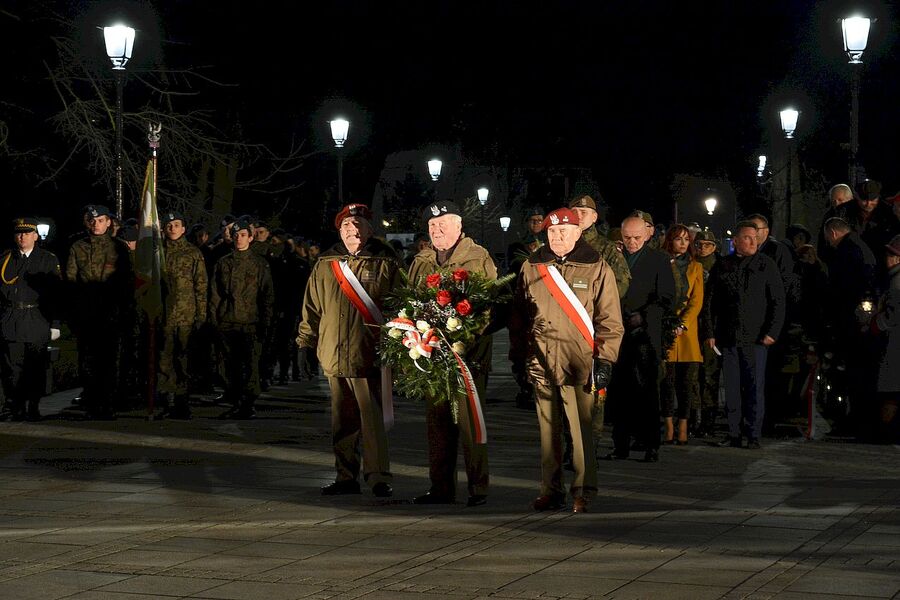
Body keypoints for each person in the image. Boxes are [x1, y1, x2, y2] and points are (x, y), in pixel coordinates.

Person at [509, 207, 623, 513]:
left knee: (582, 431)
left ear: (577, 232)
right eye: (552, 232)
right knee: (548, 433)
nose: (557, 237)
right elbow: (519, 316)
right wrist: (518, 356)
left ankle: (584, 490)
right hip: (542, 360)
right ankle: (551, 489)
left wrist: (605, 359)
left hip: (580, 362)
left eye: (563, 231)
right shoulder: (532, 266)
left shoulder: (596, 266)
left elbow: (610, 320)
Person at [296, 204, 400, 498]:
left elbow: (400, 305)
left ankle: (378, 476)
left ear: (369, 229)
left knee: (372, 420)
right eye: (346, 226)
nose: (351, 230)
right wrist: (305, 342)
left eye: (357, 224)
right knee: (342, 420)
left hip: (369, 353)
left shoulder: (385, 262)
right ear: (339, 231)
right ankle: (345, 476)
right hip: (333, 353)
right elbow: (311, 307)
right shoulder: (325, 264)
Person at [408, 200, 496, 506]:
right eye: (432, 226)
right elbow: (409, 301)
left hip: (467, 356)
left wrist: (463, 338)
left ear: (459, 227)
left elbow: (487, 306)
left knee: (471, 424)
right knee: (437, 425)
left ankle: (478, 487)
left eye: (443, 224)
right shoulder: (422, 261)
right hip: (432, 356)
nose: (437, 230)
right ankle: (440, 487)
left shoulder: (477, 258)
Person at [703, 221, 785, 449]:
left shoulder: (766, 265)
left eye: (754, 238)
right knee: (732, 388)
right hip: (729, 337)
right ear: (736, 240)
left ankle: (753, 434)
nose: (751, 242)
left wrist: (772, 332)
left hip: (756, 338)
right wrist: (710, 331)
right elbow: (710, 302)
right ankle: (734, 432)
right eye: (747, 238)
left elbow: (778, 301)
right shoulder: (723, 266)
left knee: (754, 388)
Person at [607, 214, 675, 462]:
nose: (632, 242)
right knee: (619, 390)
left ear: (647, 234)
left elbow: (667, 296)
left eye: (636, 237)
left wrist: (643, 316)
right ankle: (621, 444)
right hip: (618, 332)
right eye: (627, 238)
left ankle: (651, 444)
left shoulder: (658, 260)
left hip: (645, 334)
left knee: (647, 390)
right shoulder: (614, 258)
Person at [66, 204, 133, 419]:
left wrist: (123, 312)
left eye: (101, 220)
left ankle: (107, 404)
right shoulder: (78, 247)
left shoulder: (118, 248)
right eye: (92, 221)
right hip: (86, 315)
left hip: (110, 315)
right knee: (87, 362)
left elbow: (126, 282)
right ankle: (91, 403)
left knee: (109, 361)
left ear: (109, 222)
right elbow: (71, 282)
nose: (96, 224)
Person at [209, 218, 274, 419]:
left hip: (250, 322)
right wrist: (214, 320)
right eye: (236, 235)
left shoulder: (259, 264)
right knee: (229, 366)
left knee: (250, 365)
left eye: (243, 235)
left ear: (250, 238)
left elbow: (267, 295)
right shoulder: (223, 263)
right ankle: (236, 401)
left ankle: (247, 403)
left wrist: (266, 322)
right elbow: (215, 294)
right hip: (227, 321)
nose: (239, 239)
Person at [0, 218, 61, 421]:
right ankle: (14, 407)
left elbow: (55, 294)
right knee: (12, 368)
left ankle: (33, 407)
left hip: (37, 318)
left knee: (35, 367)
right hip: (11, 318)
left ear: (35, 236)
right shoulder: (5, 259)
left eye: (27, 233)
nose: (22, 237)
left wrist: (55, 323)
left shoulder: (47, 259)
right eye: (19, 233)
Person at [158, 211, 208, 419]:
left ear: (184, 229)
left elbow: (201, 285)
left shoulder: (193, 253)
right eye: (169, 225)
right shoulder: (158, 252)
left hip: (186, 315)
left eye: (177, 225)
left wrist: (201, 315)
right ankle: (166, 401)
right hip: (164, 315)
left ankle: (182, 401)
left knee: (184, 360)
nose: (172, 228)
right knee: (164, 359)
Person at [660, 224, 704, 445]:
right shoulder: (661, 263)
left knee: (686, 383)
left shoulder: (696, 267)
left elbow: (697, 300)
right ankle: (668, 425)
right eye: (679, 239)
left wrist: (683, 323)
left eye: (687, 239)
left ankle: (684, 425)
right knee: (666, 382)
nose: (683, 243)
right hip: (665, 328)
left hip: (687, 333)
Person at [868, 234, 900, 442]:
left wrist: (875, 323)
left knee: (891, 393)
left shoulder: (896, 282)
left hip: (894, 345)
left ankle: (888, 432)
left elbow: (893, 314)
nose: (887, 258)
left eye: (891, 254)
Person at [569, 195, 630, 299]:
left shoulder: (608, 248)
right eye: (574, 212)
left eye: (583, 212)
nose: (578, 216)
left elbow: (621, 282)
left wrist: (598, 302)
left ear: (594, 217)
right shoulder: (560, 244)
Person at [694, 229, 721, 437]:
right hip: (694, 324)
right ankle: (693, 417)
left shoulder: (718, 267)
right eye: (700, 244)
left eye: (707, 245)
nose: (703, 248)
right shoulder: (691, 264)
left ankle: (708, 420)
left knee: (710, 375)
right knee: (693, 375)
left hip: (711, 326)